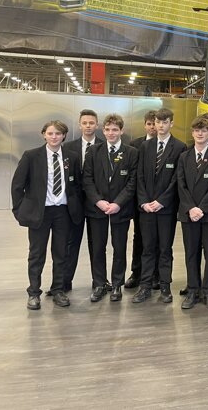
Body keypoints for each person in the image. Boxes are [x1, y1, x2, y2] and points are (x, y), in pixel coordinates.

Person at [12, 120, 83, 310]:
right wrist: (19, 210)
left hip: (63, 212)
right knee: (37, 254)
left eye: (58, 134)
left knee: (61, 253)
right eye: (50, 133)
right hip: (40, 213)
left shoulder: (72, 157)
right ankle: (34, 293)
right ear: (44, 134)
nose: (54, 137)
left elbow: (76, 184)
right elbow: (17, 185)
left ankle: (58, 290)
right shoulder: (31, 156)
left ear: (64, 136)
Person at [132, 108, 187, 304]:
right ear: (154, 124)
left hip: (166, 209)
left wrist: (162, 201)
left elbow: (177, 179)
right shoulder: (145, 146)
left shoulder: (179, 147)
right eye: (158, 122)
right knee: (147, 248)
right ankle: (145, 286)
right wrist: (144, 202)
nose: (161, 125)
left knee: (165, 249)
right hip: (146, 208)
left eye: (165, 122)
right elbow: (139, 176)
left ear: (171, 124)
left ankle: (165, 286)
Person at [83, 114, 139, 303]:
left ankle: (117, 284)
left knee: (119, 247)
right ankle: (99, 284)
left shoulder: (131, 152)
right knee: (97, 247)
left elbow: (132, 182)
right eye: (107, 129)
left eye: (115, 129)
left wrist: (118, 203)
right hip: (97, 209)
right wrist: (98, 201)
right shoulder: (93, 151)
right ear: (103, 130)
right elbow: (87, 180)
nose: (111, 133)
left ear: (121, 131)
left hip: (120, 209)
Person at [177, 116, 208, 310]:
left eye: (203, 131)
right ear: (192, 133)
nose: (200, 134)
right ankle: (193, 290)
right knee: (191, 253)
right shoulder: (184, 157)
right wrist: (191, 208)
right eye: (197, 130)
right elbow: (181, 185)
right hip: (189, 214)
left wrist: (202, 208)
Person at [60, 109, 104, 293]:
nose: (88, 126)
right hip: (74, 204)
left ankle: (99, 282)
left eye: (91, 123)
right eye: (84, 123)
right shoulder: (68, 147)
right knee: (71, 243)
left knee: (97, 244)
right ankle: (64, 282)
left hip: (97, 203)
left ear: (97, 125)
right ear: (79, 125)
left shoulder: (104, 146)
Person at [126, 110, 158, 290]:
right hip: (140, 201)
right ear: (145, 125)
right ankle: (136, 272)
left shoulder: (170, 145)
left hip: (159, 202)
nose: (153, 127)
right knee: (139, 237)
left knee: (158, 240)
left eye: (155, 123)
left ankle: (155, 275)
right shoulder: (135, 145)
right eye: (150, 124)